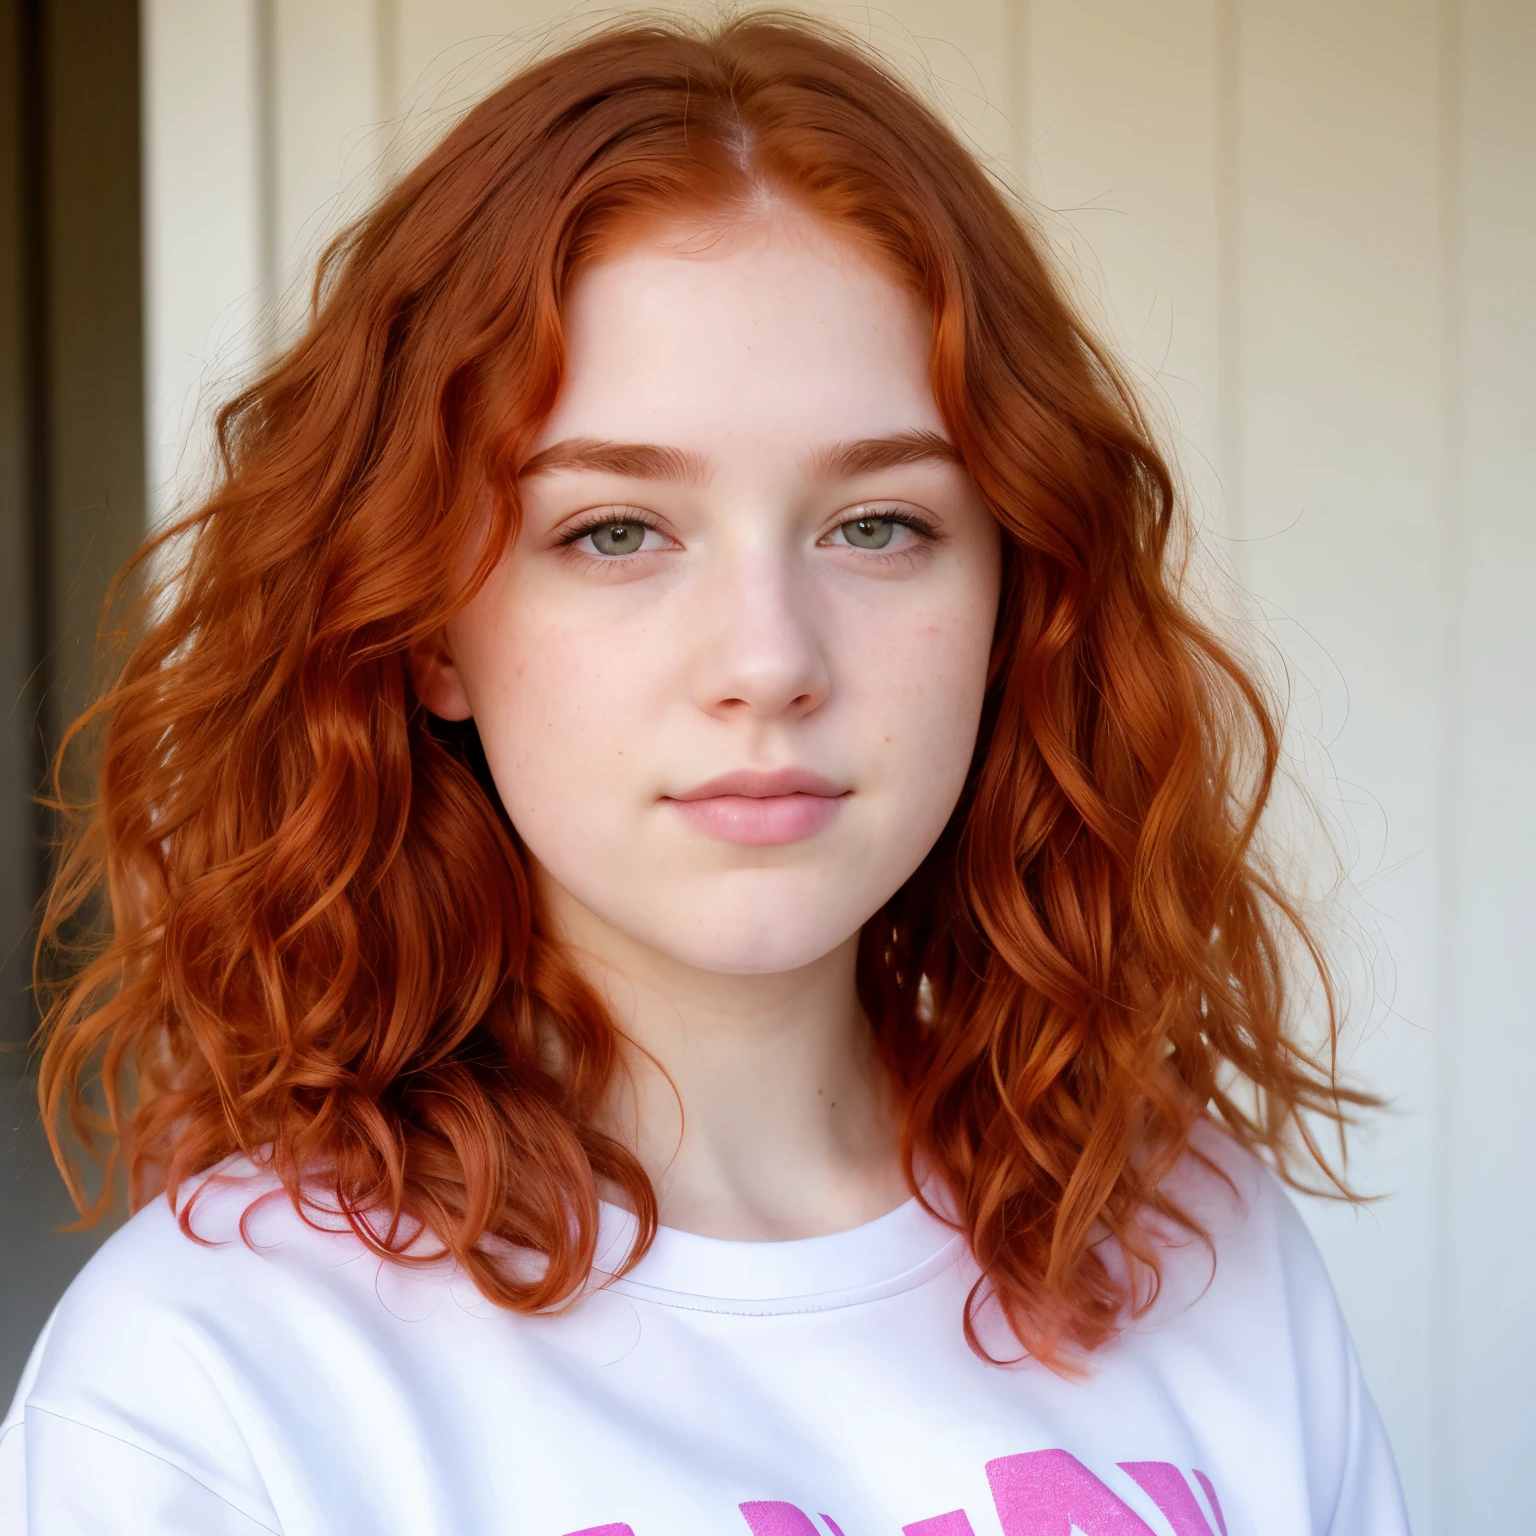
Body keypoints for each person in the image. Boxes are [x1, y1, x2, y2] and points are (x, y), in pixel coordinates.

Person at [0, 11, 1410, 1534]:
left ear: (1018, 599)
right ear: (427, 632)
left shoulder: (1201, 1249)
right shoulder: (215, 1387)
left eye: (879, 524)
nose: (768, 657)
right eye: (614, 530)